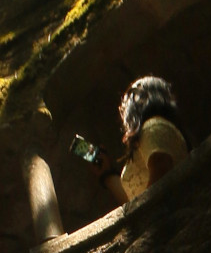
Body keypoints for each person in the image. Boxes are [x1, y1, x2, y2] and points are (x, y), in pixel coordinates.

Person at [81, 74, 189, 208]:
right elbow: (134, 207)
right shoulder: (154, 131)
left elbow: (160, 180)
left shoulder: (152, 127)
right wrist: (107, 174)